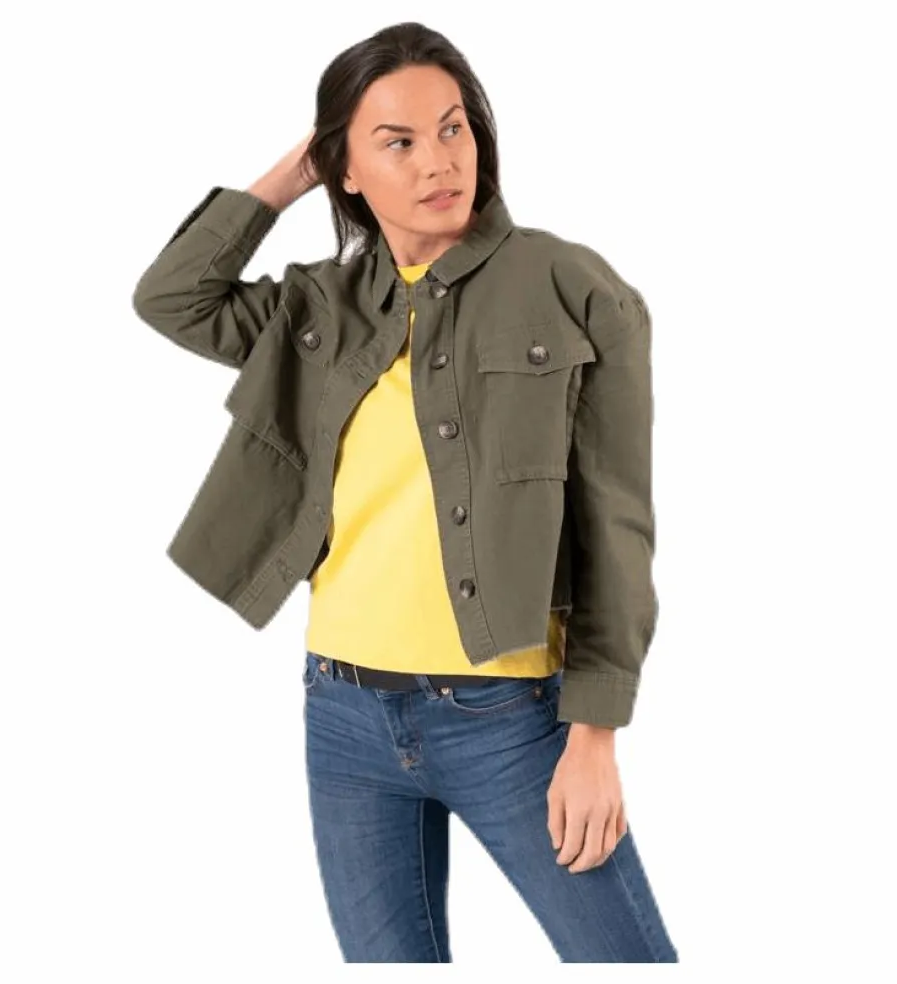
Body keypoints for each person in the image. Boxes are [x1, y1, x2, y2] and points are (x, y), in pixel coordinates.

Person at [133, 20, 678, 965]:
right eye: (398, 142)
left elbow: (617, 522)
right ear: (345, 168)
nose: (439, 161)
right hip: (343, 713)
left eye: (453, 128)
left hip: (510, 717)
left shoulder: (573, 287)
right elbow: (172, 298)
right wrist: (290, 177)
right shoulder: (319, 306)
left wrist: (596, 733)